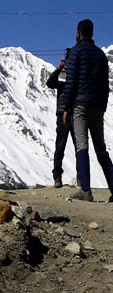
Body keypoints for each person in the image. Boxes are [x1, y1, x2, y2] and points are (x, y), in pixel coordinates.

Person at [62, 19, 113, 202]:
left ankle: (86, 190)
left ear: (78, 32)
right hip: (98, 106)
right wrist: (103, 105)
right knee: (101, 149)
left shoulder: (76, 52)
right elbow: (105, 83)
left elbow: (71, 82)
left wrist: (67, 107)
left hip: (81, 105)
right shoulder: (100, 55)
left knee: (82, 146)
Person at [48, 49, 76, 187]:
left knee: (77, 147)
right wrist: (59, 69)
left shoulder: (75, 74)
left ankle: (61, 177)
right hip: (66, 113)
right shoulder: (63, 77)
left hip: (73, 112)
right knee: (61, 146)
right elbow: (50, 83)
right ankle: (57, 176)